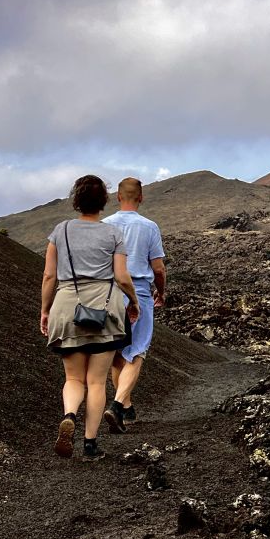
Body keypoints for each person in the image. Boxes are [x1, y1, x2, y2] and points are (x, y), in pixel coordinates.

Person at [41, 175, 140, 462]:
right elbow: (121, 277)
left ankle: (69, 414)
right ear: (104, 201)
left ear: (76, 199)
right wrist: (133, 302)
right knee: (96, 382)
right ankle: (90, 443)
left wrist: (46, 310)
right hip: (104, 311)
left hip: (67, 307)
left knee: (73, 377)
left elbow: (49, 276)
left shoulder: (61, 231)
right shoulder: (112, 235)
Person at [101, 177, 166, 433]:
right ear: (141, 197)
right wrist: (161, 293)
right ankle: (117, 405)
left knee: (117, 352)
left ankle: (126, 409)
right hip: (138, 292)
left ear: (117, 197)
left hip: (108, 293)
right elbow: (158, 268)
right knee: (137, 351)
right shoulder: (149, 227)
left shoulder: (104, 226)